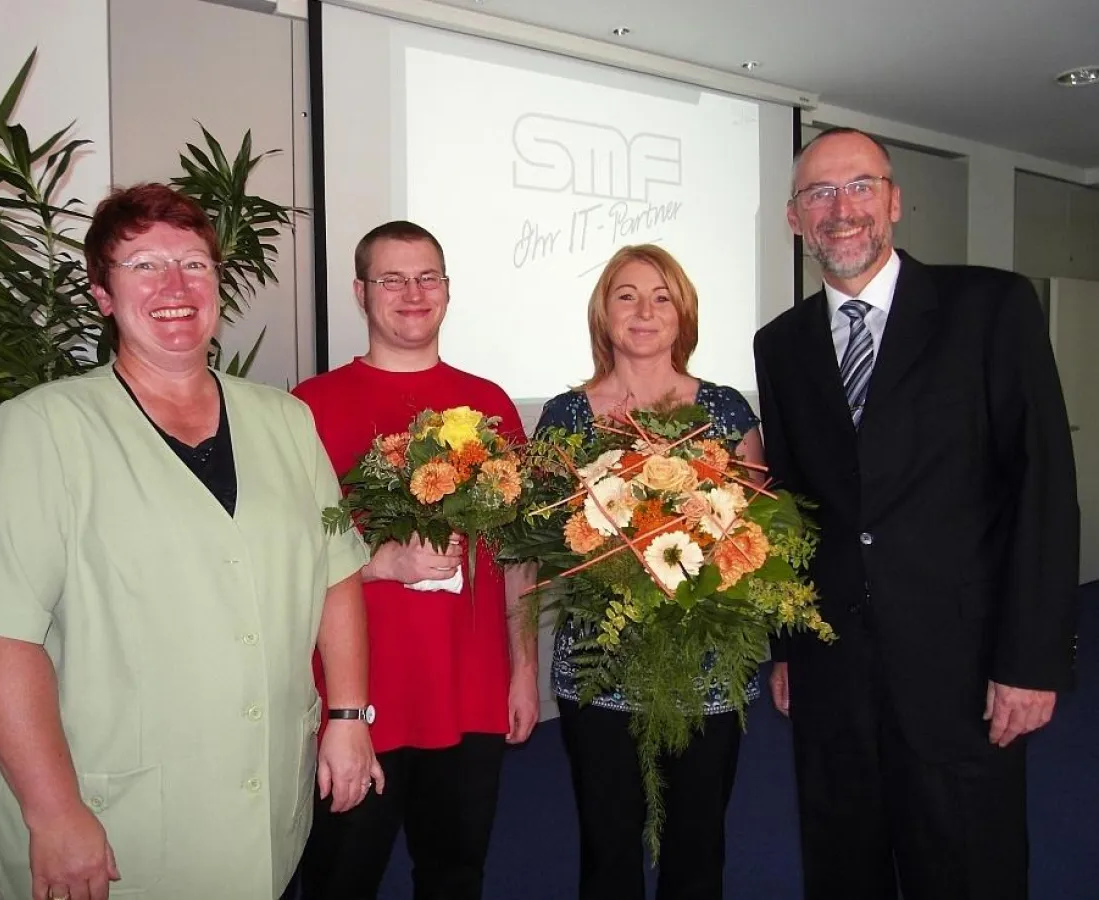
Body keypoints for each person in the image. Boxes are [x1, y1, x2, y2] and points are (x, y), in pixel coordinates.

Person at [0, 183, 378, 900]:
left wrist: (346, 716)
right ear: (103, 295)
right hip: (114, 814)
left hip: (265, 790)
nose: (176, 286)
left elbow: (334, 576)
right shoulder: (41, 430)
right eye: (144, 265)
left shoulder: (284, 421)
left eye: (195, 264)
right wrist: (54, 813)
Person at [753, 127, 1080, 900]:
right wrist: (789, 647)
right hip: (833, 663)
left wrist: (1030, 661)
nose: (842, 210)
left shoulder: (990, 306)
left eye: (859, 186)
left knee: (967, 862)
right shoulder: (781, 343)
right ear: (794, 220)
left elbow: (1041, 486)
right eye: (818, 194)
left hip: (961, 665)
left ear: (894, 200)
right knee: (842, 859)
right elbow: (793, 511)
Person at [294, 220, 540, 900]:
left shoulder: (489, 405)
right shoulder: (309, 407)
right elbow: (283, 557)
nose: (412, 293)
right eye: (391, 279)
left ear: (448, 290)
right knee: (341, 878)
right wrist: (377, 563)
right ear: (359, 292)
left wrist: (524, 671)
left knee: (456, 876)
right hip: (356, 698)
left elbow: (515, 556)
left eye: (426, 277)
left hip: (469, 689)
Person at [535, 244, 765, 900]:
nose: (644, 310)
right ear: (603, 314)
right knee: (606, 852)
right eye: (626, 295)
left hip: (707, 671)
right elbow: (542, 542)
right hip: (598, 672)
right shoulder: (565, 417)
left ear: (682, 314)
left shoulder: (724, 410)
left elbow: (758, 535)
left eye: (661, 296)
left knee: (696, 851)